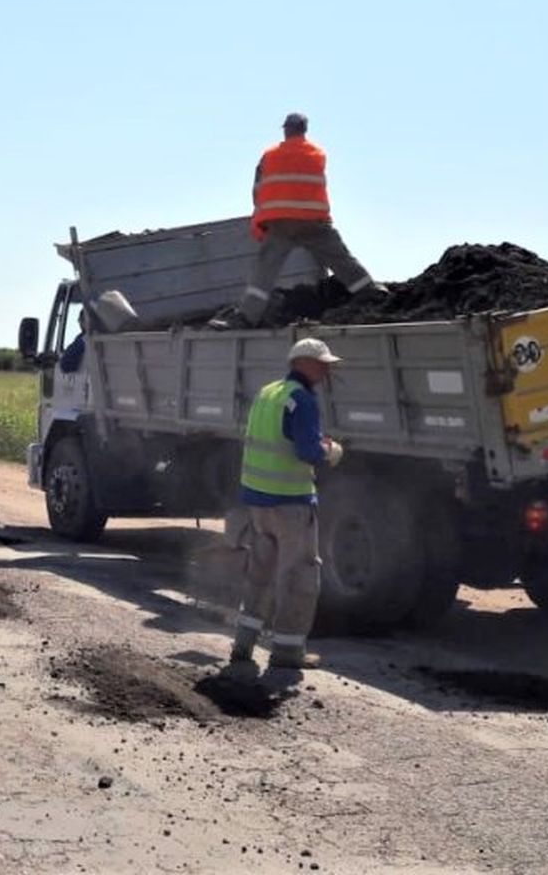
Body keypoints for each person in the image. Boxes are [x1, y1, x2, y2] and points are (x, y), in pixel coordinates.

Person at [230, 337, 345, 677]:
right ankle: (287, 652)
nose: (326, 370)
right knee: (299, 576)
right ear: (302, 364)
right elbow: (307, 451)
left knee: (259, 573)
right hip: (291, 504)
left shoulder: (268, 393)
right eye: (321, 363)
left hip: (259, 502)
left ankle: (243, 644)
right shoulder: (302, 399)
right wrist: (331, 451)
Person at [231, 113, 385, 327]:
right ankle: (371, 292)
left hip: (281, 223)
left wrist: (259, 223)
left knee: (264, 270)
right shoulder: (317, 154)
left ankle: (247, 317)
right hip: (315, 221)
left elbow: (257, 191)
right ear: (305, 130)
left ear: (285, 129)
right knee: (341, 259)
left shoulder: (269, 155)